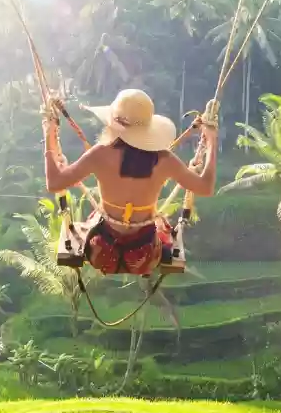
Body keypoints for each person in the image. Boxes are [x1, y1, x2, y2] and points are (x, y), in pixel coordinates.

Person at [43, 88, 218, 275]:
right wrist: (211, 141)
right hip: (145, 256)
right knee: (162, 225)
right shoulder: (164, 159)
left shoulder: (100, 154)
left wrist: (49, 134)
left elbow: (54, 183)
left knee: (88, 223)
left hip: (101, 252)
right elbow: (205, 187)